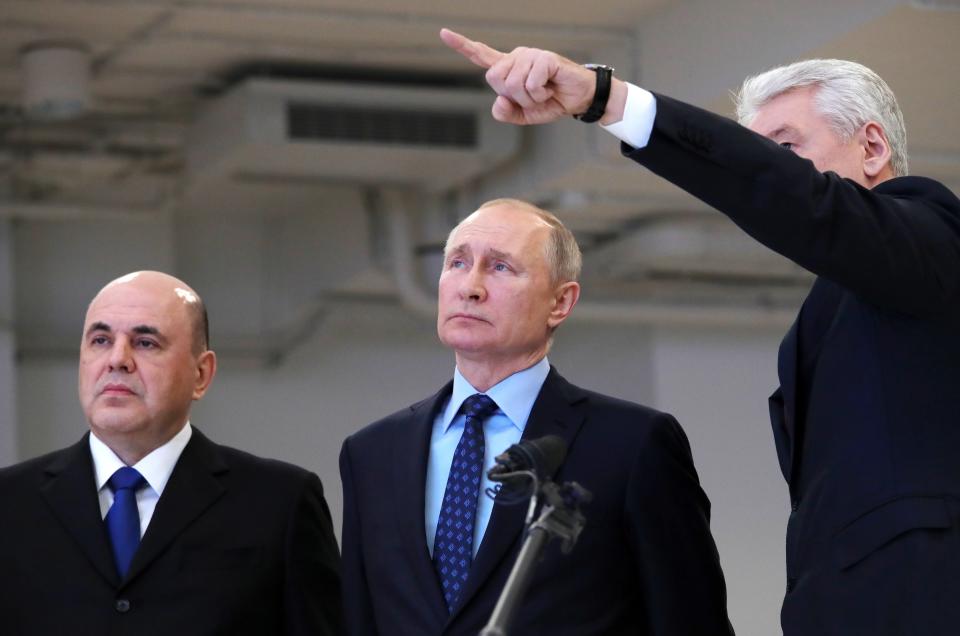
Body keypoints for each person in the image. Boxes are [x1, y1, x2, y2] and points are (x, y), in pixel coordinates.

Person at [440, 29, 960, 636]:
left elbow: (800, 200)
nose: (766, 174)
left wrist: (605, 98)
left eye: (784, 148)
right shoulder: (835, 308)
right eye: (758, 153)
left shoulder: (932, 235)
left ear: (871, 147)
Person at [339, 199, 733, 635]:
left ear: (560, 302)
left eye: (500, 268)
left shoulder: (633, 444)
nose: (470, 286)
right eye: (457, 263)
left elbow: (693, 622)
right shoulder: (371, 453)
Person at [0, 271, 342, 635]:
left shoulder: (280, 503)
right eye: (100, 340)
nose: (118, 359)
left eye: (145, 342)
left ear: (201, 374)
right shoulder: (9, 502)